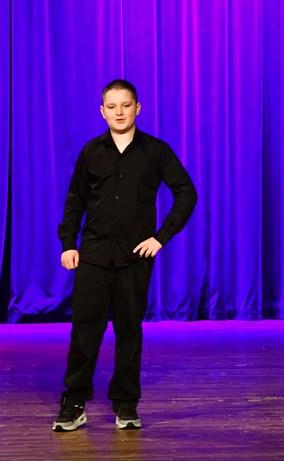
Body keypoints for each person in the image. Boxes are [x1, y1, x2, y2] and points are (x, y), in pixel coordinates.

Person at [53, 79, 197, 432]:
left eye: (126, 105)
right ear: (102, 112)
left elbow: (186, 193)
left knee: (129, 331)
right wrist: (68, 244)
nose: (119, 112)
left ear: (138, 108)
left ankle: (126, 404)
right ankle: (74, 402)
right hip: (93, 256)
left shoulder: (156, 151)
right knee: (85, 332)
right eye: (112, 106)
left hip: (134, 257)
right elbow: (75, 201)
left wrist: (161, 238)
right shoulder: (91, 152)